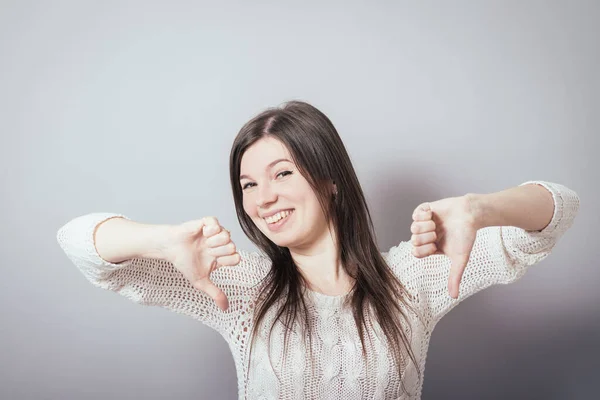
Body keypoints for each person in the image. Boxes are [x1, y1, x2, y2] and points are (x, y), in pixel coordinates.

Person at [56, 100, 580, 399]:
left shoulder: (410, 282)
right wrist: (162, 240)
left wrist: (480, 209)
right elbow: (79, 243)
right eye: (249, 184)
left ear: (329, 179)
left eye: (282, 173)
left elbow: (558, 209)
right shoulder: (238, 289)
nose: (265, 199)